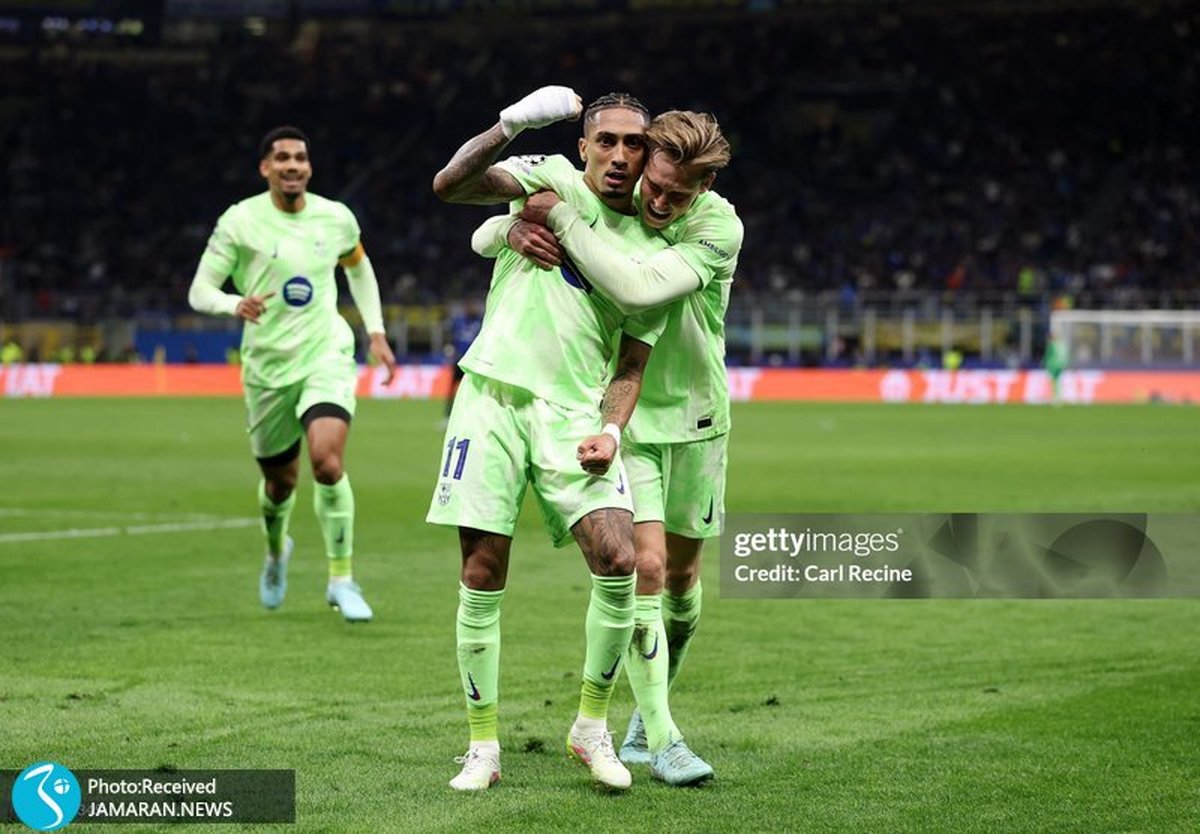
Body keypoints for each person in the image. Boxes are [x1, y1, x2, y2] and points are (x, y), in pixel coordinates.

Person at [475, 109, 742, 786]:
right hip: (625, 418)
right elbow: (485, 227)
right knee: (644, 568)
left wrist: (558, 219)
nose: (660, 202)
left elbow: (636, 287)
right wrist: (507, 227)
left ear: (704, 188)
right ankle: (663, 734)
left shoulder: (717, 227)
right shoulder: (613, 205)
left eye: (677, 195)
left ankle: (652, 706)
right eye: (655, 184)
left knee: (681, 582)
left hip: (699, 417)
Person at [428, 87, 676, 792]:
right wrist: (512, 123)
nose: (620, 155)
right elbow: (452, 185)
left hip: (574, 415)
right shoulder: (549, 177)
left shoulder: (654, 250)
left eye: (635, 143)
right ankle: (482, 747)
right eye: (608, 140)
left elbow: (632, 366)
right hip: (492, 397)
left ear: (648, 153)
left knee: (620, 559)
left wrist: (611, 429)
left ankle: (591, 728)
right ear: (583, 145)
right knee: (482, 570)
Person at [188, 126, 395, 623]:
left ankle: (342, 578)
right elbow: (199, 290)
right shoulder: (240, 221)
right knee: (279, 485)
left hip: (325, 354)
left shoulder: (336, 218)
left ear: (309, 167)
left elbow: (359, 268)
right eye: (282, 158)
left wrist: (376, 331)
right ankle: (277, 548)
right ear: (265, 168)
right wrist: (234, 303)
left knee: (326, 462)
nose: (292, 166)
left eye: (300, 158)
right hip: (267, 368)